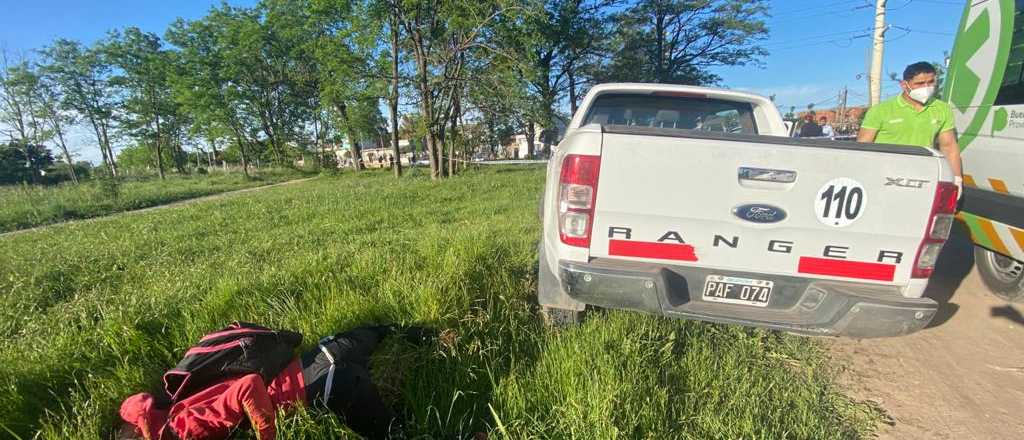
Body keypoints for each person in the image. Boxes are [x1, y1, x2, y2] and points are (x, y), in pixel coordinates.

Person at [118, 325, 430, 440]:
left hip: (300, 387)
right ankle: (420, 334)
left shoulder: (185, 429)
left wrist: (265, 435)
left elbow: (249, 385)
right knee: (359, 338)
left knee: (357, 386)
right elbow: (131, 406)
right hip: (301, 366)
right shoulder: (159, 410)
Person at [857, 61, 963, 196]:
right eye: (919, 84)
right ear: (904, 85)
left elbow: (948, 147)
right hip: (885, 178)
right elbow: (863, 147)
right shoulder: (880, 110)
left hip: (922, 178)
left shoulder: (942, 109)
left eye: (930, 82)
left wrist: (956, 179)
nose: (926, 87)